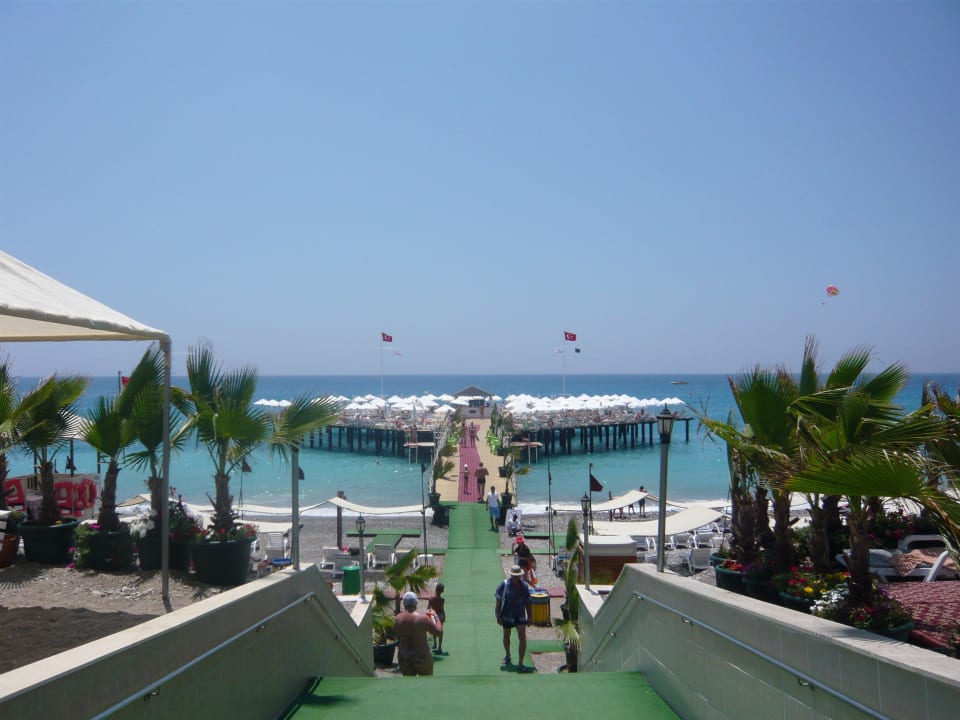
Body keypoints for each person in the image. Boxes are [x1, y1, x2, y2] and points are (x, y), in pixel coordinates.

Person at [495, 565, 534, 672]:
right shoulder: (504, 585)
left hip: (520, 615)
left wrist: (530, 617)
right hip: (507, 615)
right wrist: (498, 615)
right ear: (511, 575)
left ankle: (520, 663)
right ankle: (508, 655)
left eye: (518, 576)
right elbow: (498, 601)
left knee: (522, 637)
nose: (516, 577)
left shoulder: (524, 586)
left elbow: (528, 602)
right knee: (506, 636)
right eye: (514, 575)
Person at [394, 591, 443, 676]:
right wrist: (435, 616)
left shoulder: (397, 619)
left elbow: (396, 635)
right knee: (426, 682)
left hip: (405, 659)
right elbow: (438, 632)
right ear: (416, 603)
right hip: (422, 658)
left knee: (409, 683)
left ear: (404, 604)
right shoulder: (423, 619)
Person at [428, 583, 446, 655]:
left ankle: (435, 643)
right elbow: (442, 609)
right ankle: (439, 647)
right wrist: (444, 616)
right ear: (441, 591)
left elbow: (428, 608)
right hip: (440, 615)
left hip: (433, 615)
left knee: (434, 629)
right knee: (441, 631)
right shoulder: (442, 600)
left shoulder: (431, 598)